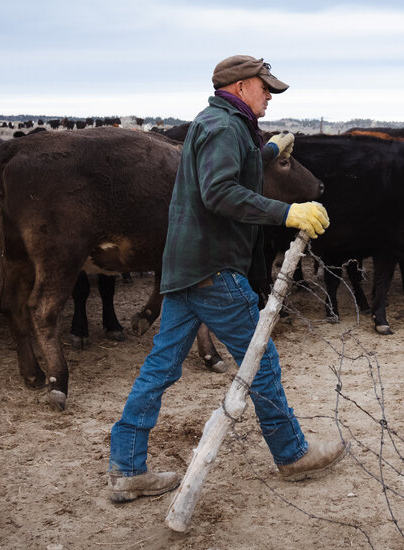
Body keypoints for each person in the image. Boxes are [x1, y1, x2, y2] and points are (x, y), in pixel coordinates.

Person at [107, 55, 346, 503]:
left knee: (159, 368)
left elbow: (230, 168)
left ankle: (126, 466)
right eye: (265, 86)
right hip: (215, 268)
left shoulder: (217, 123)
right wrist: (287, 211)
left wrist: (270, 151)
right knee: (262, 362)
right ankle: (292, 453)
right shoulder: (224, 127)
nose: (270, 94)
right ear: (240, 87)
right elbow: (219, 190)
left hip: (186, 267)